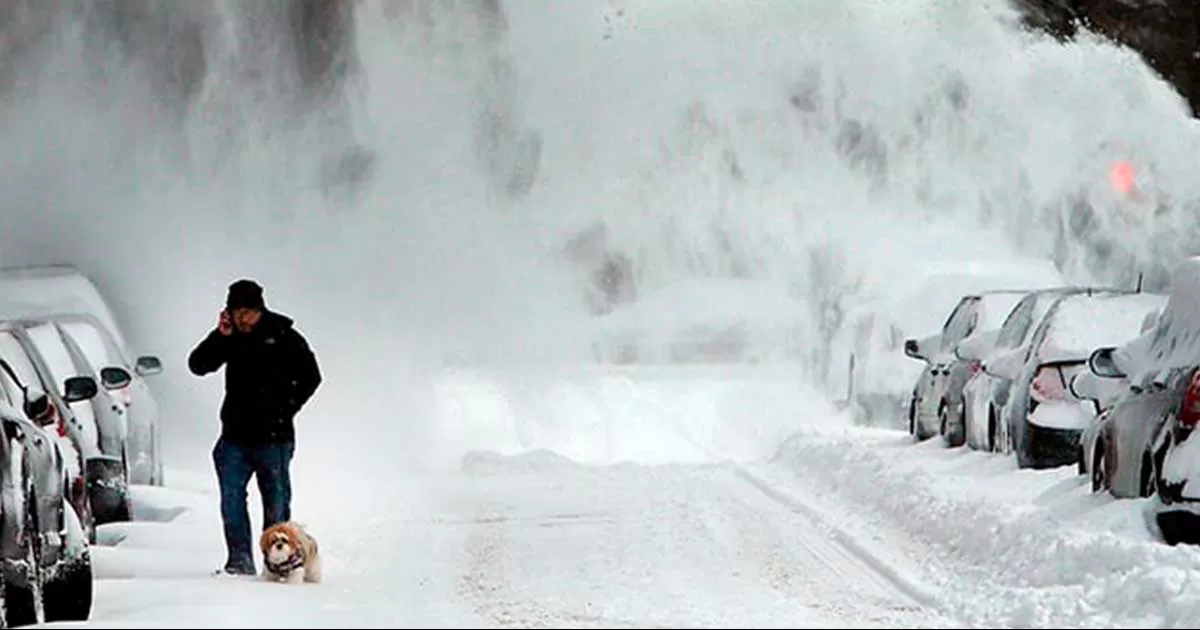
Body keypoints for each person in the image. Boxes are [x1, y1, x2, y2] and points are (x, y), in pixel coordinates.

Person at [188, 279, 322, 575]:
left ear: (259, 310)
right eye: (236, 312)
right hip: (234, 437)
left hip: (274, 439)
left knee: (276, 502)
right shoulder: (230, 337)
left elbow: (312, 376)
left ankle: (280, 565)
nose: (242, 319)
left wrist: (286, 409)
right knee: (232, 500)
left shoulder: (284, 336)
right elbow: (197, 365)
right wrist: (219, 337)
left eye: (247, 312)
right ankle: (239, 562)